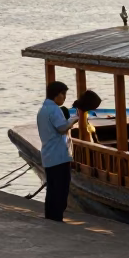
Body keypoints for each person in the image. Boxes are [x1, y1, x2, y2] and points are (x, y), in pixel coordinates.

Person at [36, 81, 78, 222]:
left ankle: (51, 216)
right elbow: (61, 128)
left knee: (52, 188)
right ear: (57, 94)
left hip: (49, 155)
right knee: (61, 188)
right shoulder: (54, 109)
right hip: (59, 155)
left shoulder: (43, 109)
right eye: (63, 94)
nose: (64, 98)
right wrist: (73, 120)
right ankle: (57, 217)